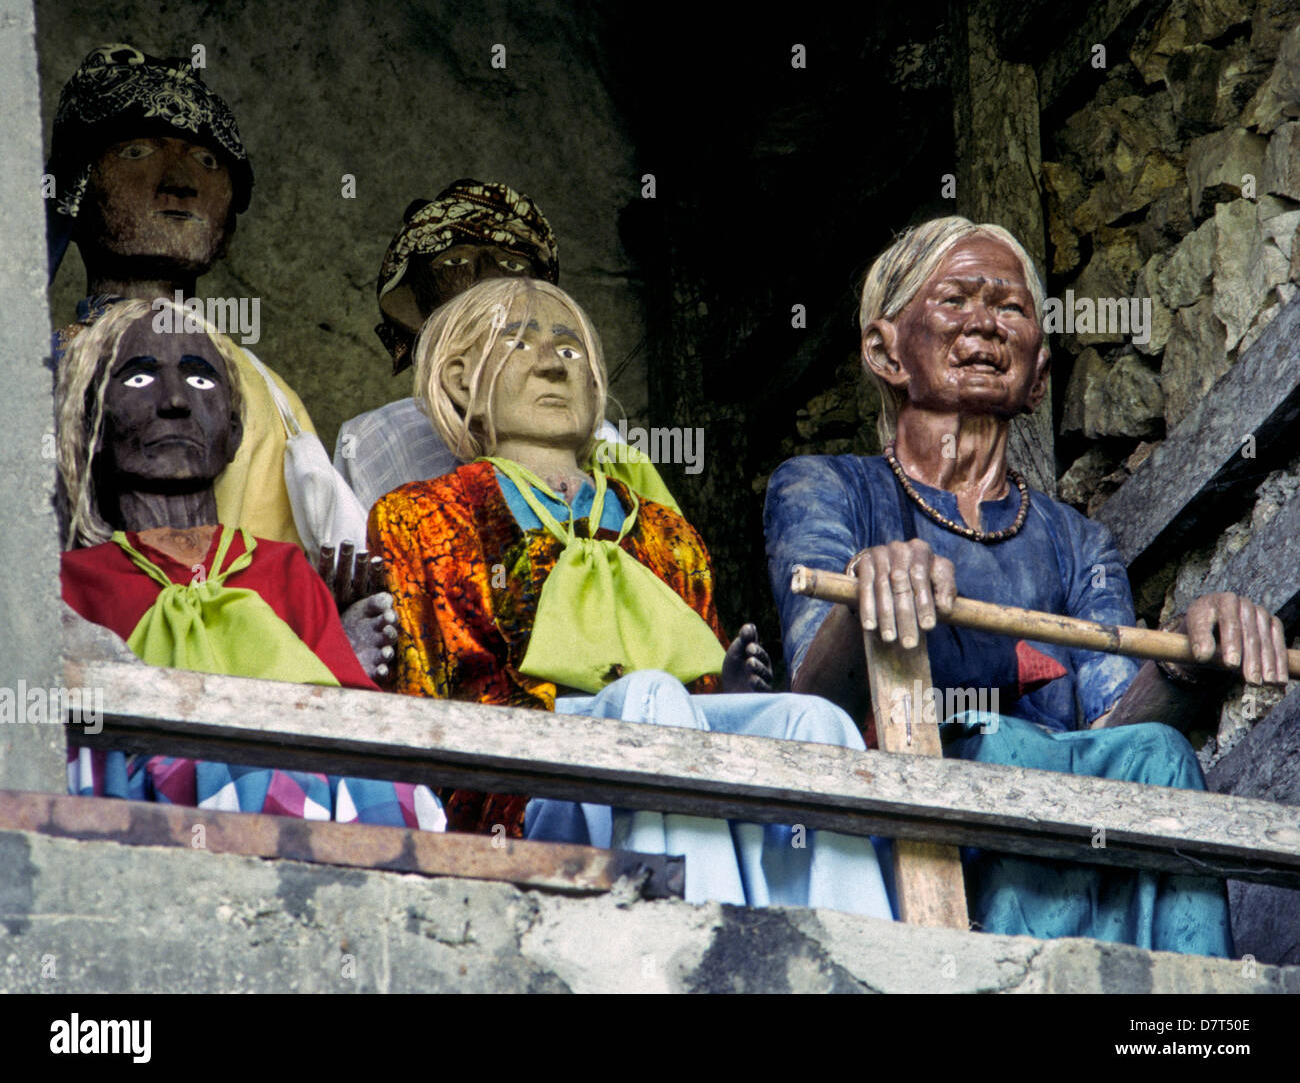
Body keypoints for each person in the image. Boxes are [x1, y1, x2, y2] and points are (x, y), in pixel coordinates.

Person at [764, 215, 1288, 954]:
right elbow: (812, 710)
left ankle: (1190, 1022)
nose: (984, 323)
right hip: (905, 820)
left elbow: (1113, 731)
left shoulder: (1077, 542)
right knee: (1004, 741)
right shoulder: (825, 488)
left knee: (1161, 756)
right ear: (886, 351)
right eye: (954, 300)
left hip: (1062, 826)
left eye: (1010, 309)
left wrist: (1188, 658)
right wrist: (867, 596)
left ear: (1039, 373)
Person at [368, 277, 891, 914]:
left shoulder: (668, 534)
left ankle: (850, 958)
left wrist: (722, 693)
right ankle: (698, 946)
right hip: (530, 778)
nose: (550, 364)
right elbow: (426, 709)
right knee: (652, 695)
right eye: (518, 342)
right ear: (458, 381)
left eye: (569, 350)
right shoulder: (424, 516)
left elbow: (698, 713)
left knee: (815, 723)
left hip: (665, 733)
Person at [47, 44, 395, 677]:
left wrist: (325, 619)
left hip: (265, 667)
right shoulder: (40, 368)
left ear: (230, 223)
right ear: (75, 187)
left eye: (207, 161)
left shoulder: (268, 390)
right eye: (136, 152)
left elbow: (305, 554)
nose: (180, 181)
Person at [56, 298, 442, 830]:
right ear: (90, 423)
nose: (174, 401)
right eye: (140, 379)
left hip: (298, 800)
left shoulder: (283, 569)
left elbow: (355, 724)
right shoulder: (72, 584)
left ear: (234, 432)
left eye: (200, 380)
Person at [335, 179, 678, 515]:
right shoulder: (376, 436)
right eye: (455, 264)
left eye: (512, 266)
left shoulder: (589, 429)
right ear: (417, 299)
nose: (487, 278)